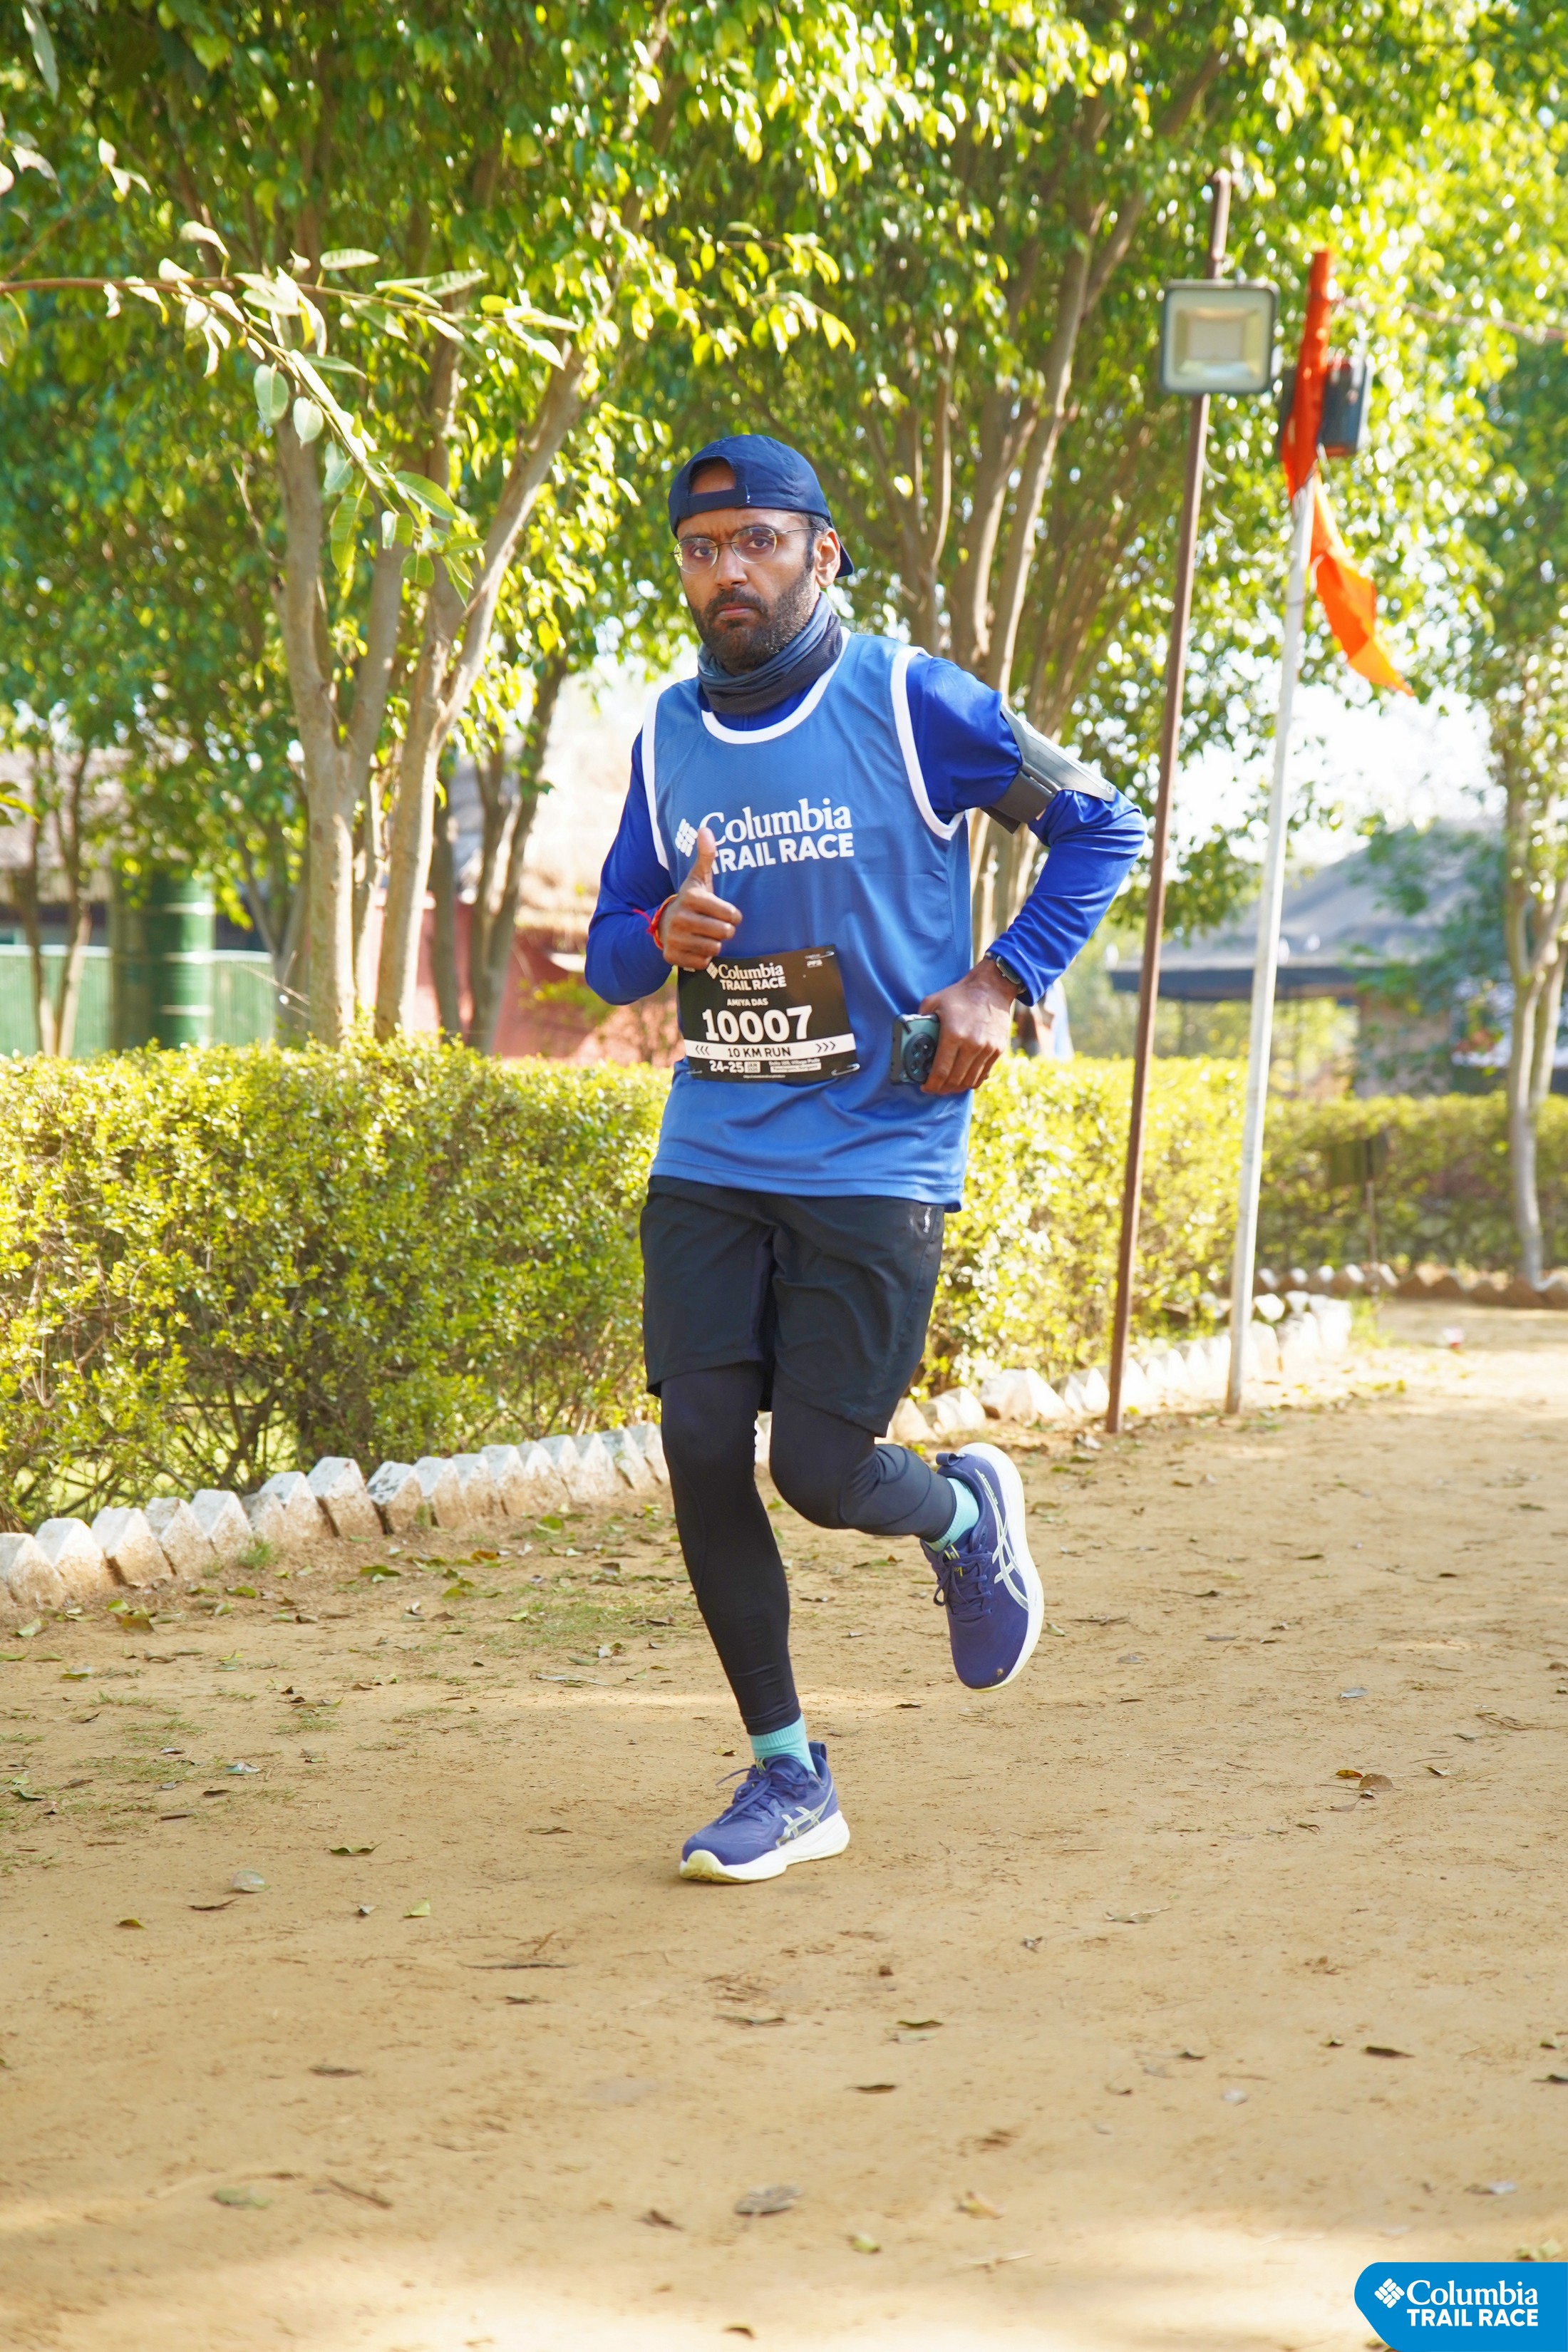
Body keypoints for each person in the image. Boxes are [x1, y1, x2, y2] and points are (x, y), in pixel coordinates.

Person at [586, 434, 1143, 1884]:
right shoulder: (665, 736)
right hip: (713, 1142)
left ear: (822, 554)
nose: (727, 572)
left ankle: (960, 1512)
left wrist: (1001, 981)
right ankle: (787, 1774)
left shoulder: (910, 700)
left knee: (821, 1472)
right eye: (701, 550)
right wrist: (658, 936)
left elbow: (1103, 826)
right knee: (701, 1445)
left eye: (758, 542)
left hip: (876, 1151)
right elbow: (606, 951)